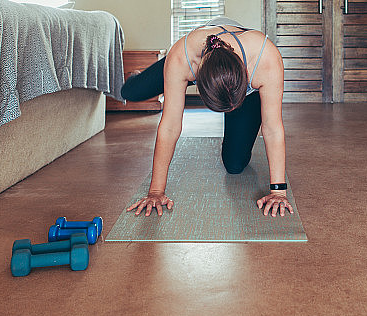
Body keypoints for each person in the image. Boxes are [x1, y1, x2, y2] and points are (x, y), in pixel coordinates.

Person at [121, 16, 293, 217]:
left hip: (236, 65)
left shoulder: (266, 59)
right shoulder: (182, 58)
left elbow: (272, 128)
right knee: (131, 93)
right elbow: (170, 126)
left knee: (235, 165)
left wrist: (279, 191)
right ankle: (137, 76)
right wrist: (156, 192)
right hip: (194, 56)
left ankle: (238, 100)